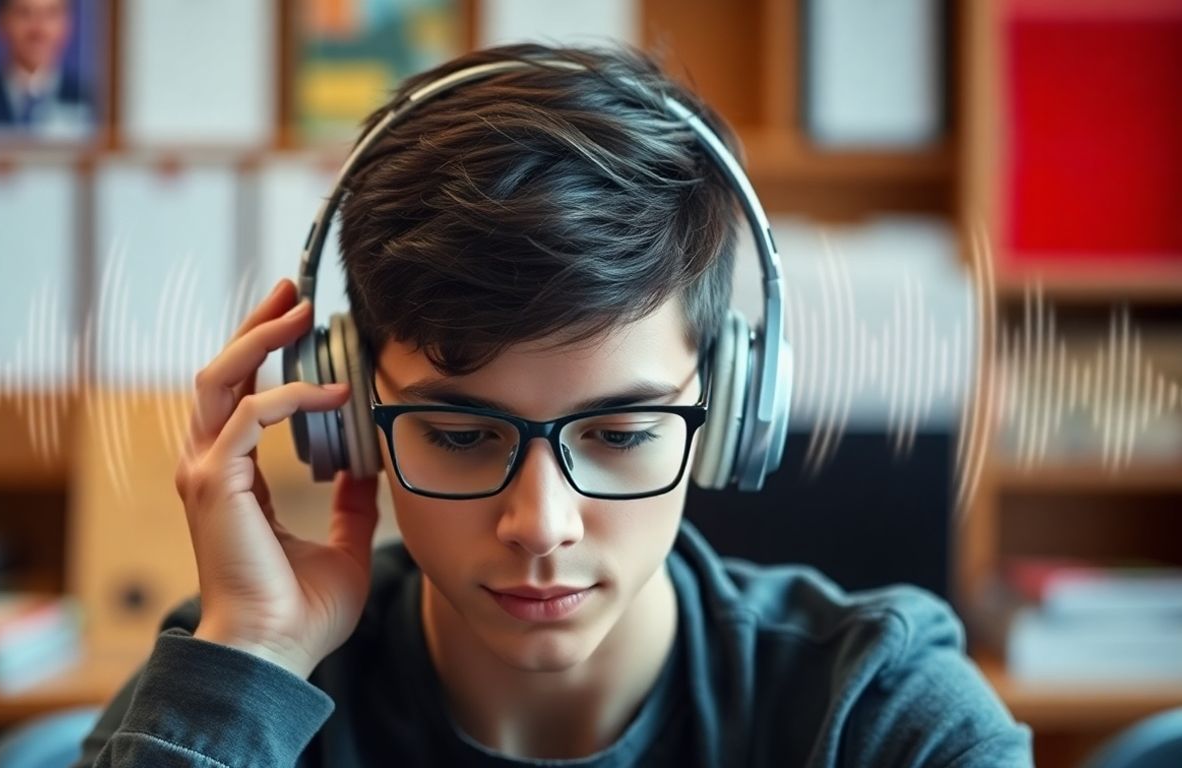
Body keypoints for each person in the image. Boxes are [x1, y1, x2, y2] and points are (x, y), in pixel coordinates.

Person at [70, 44, 1033, 767]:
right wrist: (253, 663)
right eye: (457, 433)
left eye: (619, 433)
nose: (540, 526)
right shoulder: (237, 680)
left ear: (735, 405)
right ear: (350, 419)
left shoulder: (878, 712)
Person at [0, 0, 93, 135]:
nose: (39, 29)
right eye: (24, 13)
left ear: (68, 24)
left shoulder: (94, 102)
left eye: (51, 14)